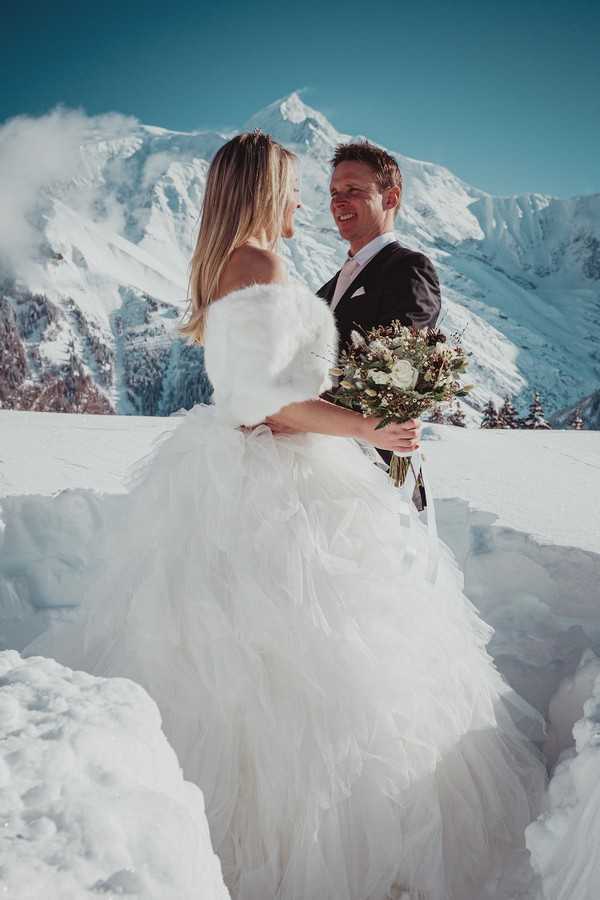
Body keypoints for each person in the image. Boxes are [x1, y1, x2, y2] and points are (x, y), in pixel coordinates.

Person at [27, 131, 545, 900]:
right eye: (299, 187)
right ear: (266, 191)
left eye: (338, 191)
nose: (310, 203)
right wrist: (368, 427)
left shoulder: (233, 262)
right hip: (280, 482)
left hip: (244, 477)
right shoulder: (263, 264)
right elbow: (259, 404)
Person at [317, 141, 442, 502]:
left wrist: (303, 411)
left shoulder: (407, 268)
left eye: (353, 190)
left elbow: (400, 365)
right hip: (324, 462)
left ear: (391, 198)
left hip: (378, 470)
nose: (339, 201)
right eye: (334, 192)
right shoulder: (329, 286)